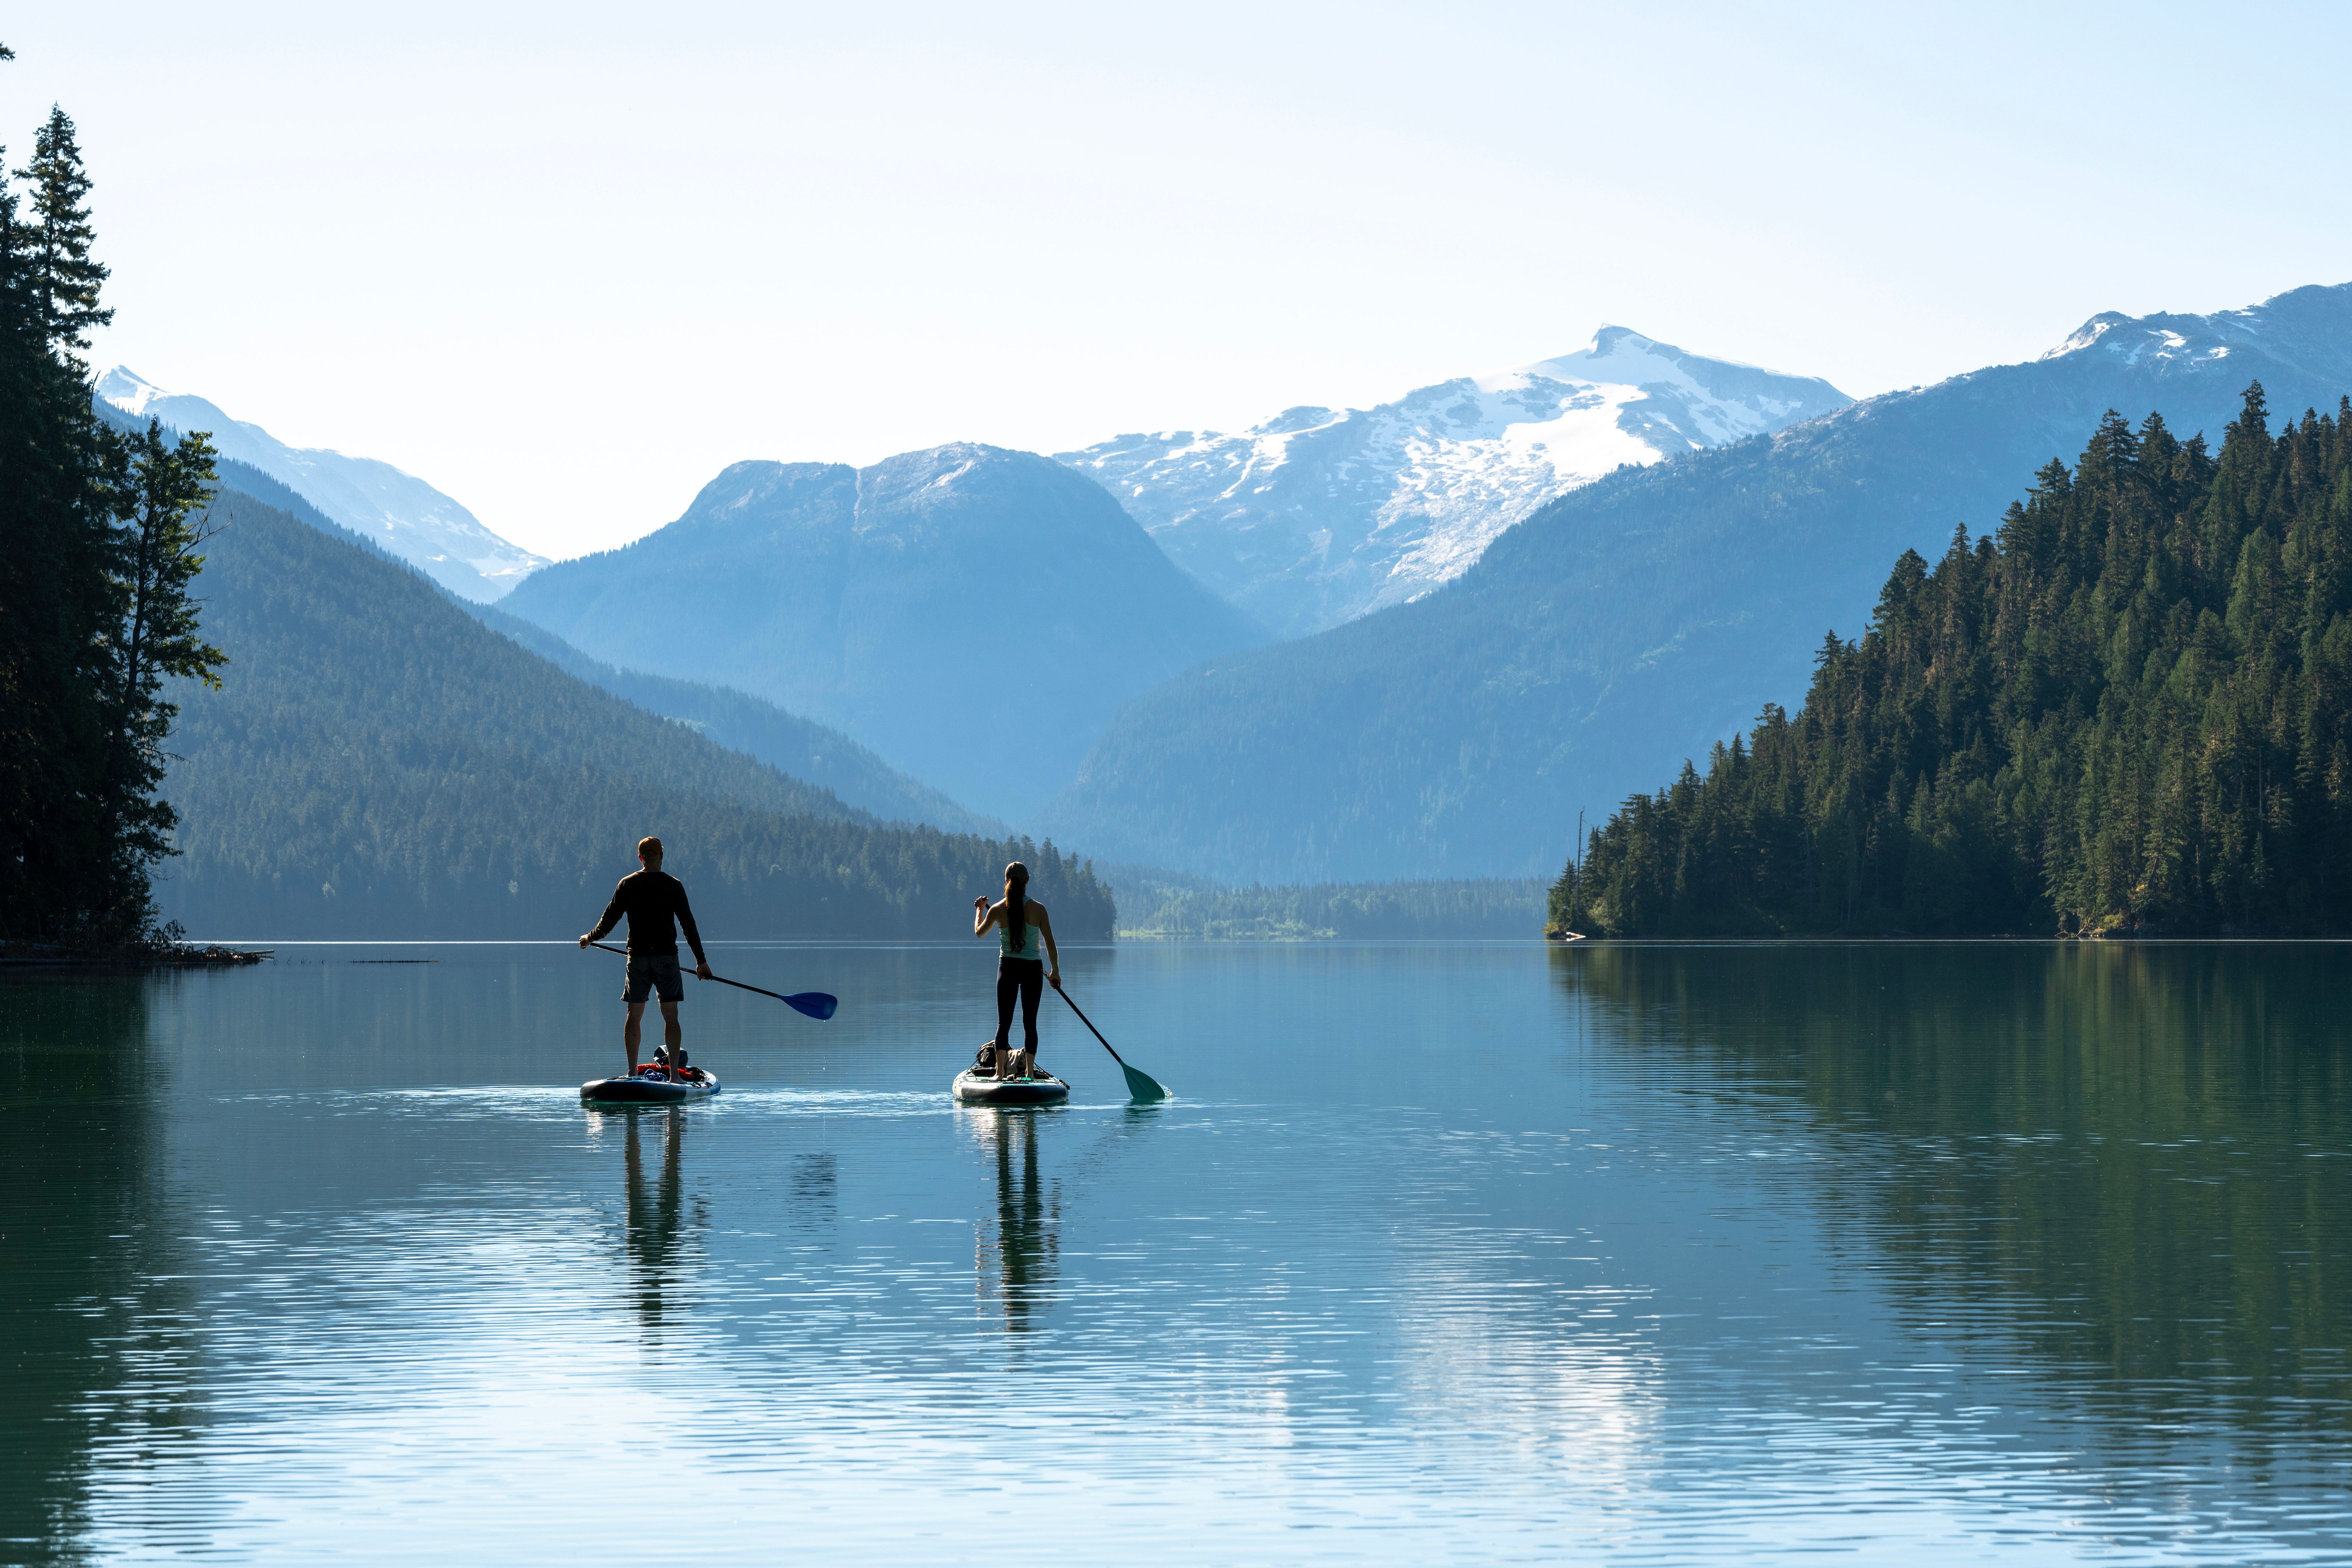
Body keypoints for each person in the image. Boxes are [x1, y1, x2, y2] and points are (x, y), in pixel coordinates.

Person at [579, 836, 712, 1079]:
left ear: (641, 858)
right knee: (670, 1016)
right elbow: (688, 926)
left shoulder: (627, 884)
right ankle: (674, 1076)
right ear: (661, 856)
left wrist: (590, 938)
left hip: (638, 958)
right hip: (666, 959)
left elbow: (608, 921)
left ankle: (632, 1073)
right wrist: (701, 962)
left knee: (634, 1015)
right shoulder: (674, 885)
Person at [973, 860, 1059, 1081]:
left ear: (1006, 882)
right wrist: (1055, 973)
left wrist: (980, 910)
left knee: (1004, 1023)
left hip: (1008, 968)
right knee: (1030, 1023)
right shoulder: (1039, 909)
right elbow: (1050, 943)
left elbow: (979, 933)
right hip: (1033, 969)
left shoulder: (996, 910)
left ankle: (1000, 1073)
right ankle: (1029, 1074)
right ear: (1027, 881)